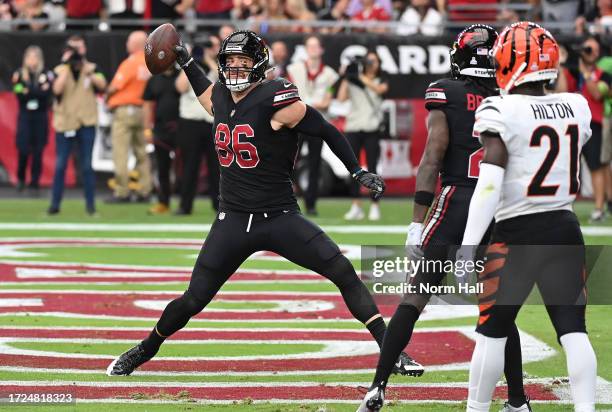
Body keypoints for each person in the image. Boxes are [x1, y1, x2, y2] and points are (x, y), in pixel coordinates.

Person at [107, 30, 422, 378]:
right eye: (230, 63)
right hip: (233, 220)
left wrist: (357, 170)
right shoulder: (222, 97)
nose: (236, 69)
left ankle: (392, 350)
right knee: (193, 299)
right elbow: (205, 91)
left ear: (259, 64)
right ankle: (143, 350)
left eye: (243, 62)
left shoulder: (279, 100)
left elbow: (327, 130)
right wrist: (186, 62)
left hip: (279, 218)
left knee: (343, 272)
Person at [357, 25, 530, 412]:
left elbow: (433, 156)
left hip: (456, 202)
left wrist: (418, 220)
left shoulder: (447, 92)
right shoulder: (509, 98)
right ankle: (518, 401)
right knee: (497, 306)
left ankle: (377, 389)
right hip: (497, 205)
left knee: (415, 296)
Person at [458, 22, 596, 412]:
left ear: (509, 61)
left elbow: (489, 184)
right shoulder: (577, 105)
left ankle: (476, 408)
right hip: (564, 228)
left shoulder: (499, 108)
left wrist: (468, 248)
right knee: (573, 332)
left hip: (515, 233)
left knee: (491, 334)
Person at [48, 35, 107, 215]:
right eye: (73, 48)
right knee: (60, 166)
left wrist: (86, 69)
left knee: (87, 166)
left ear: (85, 49)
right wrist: (67, 66)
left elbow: (103, 85)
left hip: (86, 122)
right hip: (65, 123)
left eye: (79, 48)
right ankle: (54, 206)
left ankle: (90, 207)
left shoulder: (93, 68)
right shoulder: (59, 70)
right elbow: (56, 89)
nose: (76, 52)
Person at [556, 35, 612, 222]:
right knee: (567, 168)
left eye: (594, 49)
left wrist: (586, 73)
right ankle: (565, 207)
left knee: (596, 167)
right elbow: (562, 92)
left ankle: (598, 209)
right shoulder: (571, 71)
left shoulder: (603, 75)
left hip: (593, 125)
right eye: (587, 48)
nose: (591, 52)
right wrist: (563, 66)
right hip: (570, 125)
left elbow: (597, 93)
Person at [287, 35, 339, 215]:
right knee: (289, 160)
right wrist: (312, 103)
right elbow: (290, 95)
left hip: (316, 123)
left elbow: (327, 101)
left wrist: (307, 103)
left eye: (316, 46)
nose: (313, 49)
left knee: (315, 162)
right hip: (297, 121)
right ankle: (286, 198)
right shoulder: (294, 69)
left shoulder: (330, 74)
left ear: (322, 49)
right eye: (310, 46)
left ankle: (311, 203)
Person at [338, 50, 388, 221]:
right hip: (353, 127)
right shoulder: (353, 80)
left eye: (374, 61)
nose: (372, 64)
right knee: (353, 168)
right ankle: (356, 205)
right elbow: (341, 97)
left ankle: (375, 205)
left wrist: (359, 75)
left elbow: (379, 90)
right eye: (369, 61)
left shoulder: (381, 80)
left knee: (373, 168)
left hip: (372, 130)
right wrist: (347, 76)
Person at [175, 36, 220, 215]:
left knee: (216, 167)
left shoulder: (220, 66)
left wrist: (209, 60)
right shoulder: (189, 65)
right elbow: (180, 87)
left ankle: (219, 206)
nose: (206, 50)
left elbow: (225, 83)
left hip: (212, 122)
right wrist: (191, 61)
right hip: (190, 122)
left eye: (210, 46)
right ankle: (185, 206)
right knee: (189, 166)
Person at [106, 30, 152, 203]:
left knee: (121, 152)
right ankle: (145, 190)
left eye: (128, 41)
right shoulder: (150, 63)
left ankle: (122, 191)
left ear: (135, 44)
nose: (126, 44)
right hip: (143, 110)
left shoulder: (130, 62)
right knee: (142, 152)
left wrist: (107, 98)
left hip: (125, 110)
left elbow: (115, 86)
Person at [12, 45, 53, 194]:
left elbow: (46, 94)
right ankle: (21, 178)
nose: (32, 60)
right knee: (23, 149)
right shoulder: (19, 74)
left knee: (38, 150)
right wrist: (34, 90)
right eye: (29, 57)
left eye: (35, 57)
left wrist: (29, 90)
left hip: (40, 115)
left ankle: (34, 182)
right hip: (25, 115)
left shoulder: (46, 74)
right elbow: (18, 93)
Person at [142, 65, 181, 215]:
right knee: (162, 169)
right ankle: (163, 202)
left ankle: (185, 203)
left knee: (185, 168)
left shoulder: (183, 76)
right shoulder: (154, 79)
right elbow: (147, 105)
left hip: (182, 128)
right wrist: (147, 130)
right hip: (160, 130)